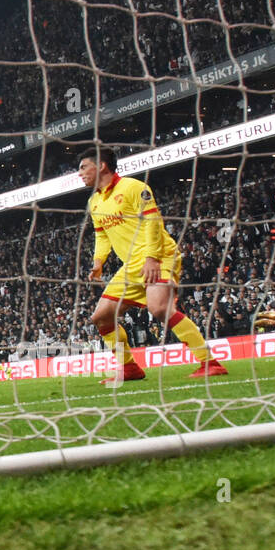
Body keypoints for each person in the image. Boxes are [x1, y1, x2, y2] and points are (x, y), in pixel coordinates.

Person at [78, 147, 227, 384]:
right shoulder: (94, 201)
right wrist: (98, 262)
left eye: (83, 167)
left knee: (159, 308)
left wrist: (151, 257)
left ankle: (210, 363)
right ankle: (129, 369)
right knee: (101, 317)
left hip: (159, 254)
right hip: (131, 265)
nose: (80, 173)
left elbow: (153, 221)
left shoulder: (134, 187)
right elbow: (102, 236)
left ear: (102, 166)